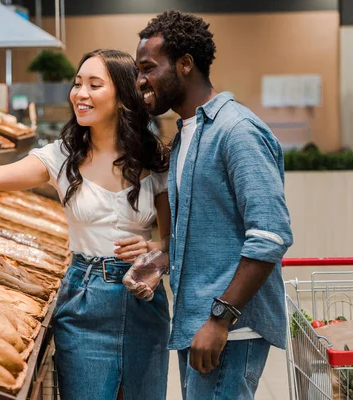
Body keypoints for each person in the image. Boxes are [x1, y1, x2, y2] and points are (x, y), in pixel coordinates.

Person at [0, 49, 172, 400]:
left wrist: (154, 249)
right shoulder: (60, 157)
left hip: (143, 301)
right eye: (77, 84)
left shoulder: (154, 161)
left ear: (122, 97)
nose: (80, 93)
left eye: (94, 85)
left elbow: (172, 238)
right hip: (84, 299)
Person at [130, 10, 293, 400]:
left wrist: (221, 318)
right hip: (200, 321)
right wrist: (165, 257)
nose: (140, 81)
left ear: (185, 64)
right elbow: (212, 227)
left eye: (148, 68)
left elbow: (270, 234)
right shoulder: (189, 135)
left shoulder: (236, 131)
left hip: (230, 328)